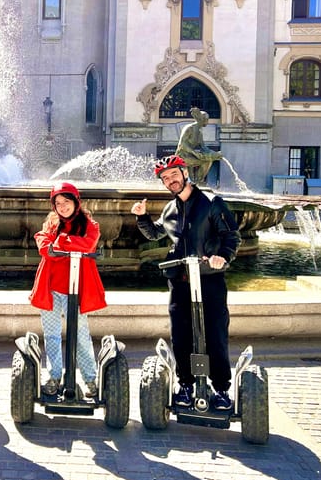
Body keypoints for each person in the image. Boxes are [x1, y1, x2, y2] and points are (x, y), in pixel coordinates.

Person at [130, 154, 241, 410]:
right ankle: (186, 385)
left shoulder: (212, 203)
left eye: (173, 174)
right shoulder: (170, 209)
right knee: (181, 336)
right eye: (165, 178)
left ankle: (221, 389)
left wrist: (221, 257)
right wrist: (142, 217)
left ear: (184, 173)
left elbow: (231, 236)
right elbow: (157, 233)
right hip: (180, 281)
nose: (170, 180)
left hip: (208, 279)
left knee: (215, 334)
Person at [29, 182, 106, 398]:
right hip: (51, 287)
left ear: (76, 202)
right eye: (58, 203)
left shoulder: (90, 224)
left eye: (66, 202)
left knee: (81, 334)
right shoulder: (51, 223)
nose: (62, 207)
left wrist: (61, 241)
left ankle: (90, 379)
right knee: (51, 334)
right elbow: (42, 241)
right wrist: (53, 245)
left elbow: (88, 245)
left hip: (76, 290)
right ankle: (54, 376)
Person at [176, 106, 222, 187]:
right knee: (206, 162)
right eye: (207, 120)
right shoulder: (189, 128)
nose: (208, 122)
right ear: (202, 119)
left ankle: (196, 182)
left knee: (209, 160)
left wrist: (214, 154)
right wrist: (194, 153)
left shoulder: (199, 131)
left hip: (191, 156)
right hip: (182, 157)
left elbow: (203, 147)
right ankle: (196, 182)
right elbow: (182, 144)